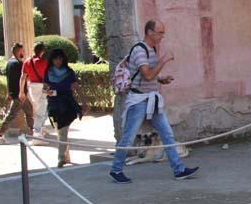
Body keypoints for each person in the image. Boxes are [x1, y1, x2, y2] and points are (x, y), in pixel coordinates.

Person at [109, 20, 198, 183]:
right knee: (128, 137)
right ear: (150, 32)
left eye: (163, 32)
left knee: (167, 134)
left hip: (152, 99)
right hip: (139, 101)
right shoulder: (139, 50)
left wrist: (160, 79)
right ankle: (116, 169)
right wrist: (163, 60)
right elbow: (147, 74)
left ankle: (179, 169)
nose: (163, 36)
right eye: (160, 32)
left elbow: (150, 75)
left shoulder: (151, 50)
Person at [43, 48, 87, 168]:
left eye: (60, 59)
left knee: (62, 131)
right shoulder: (48, 72)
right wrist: (48, 91)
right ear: (52, 60)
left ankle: (61, 158)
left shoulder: (69, 72)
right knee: (60, 132)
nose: (58, 61)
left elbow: (76, 87)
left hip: (67, 104)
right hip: (53, 104)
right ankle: (66, 155)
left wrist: (84, 102)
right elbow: (44, 88)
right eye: (56, 59)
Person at [0, 43, 33, 142]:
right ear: (18, 51)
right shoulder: (19, 64)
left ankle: (34, 132)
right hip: (19, 95)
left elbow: (8, 79)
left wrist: (8, 93)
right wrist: (22, 92)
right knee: (11, 115)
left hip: (15, 93)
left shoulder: (9, 63)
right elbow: (23, 78)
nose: (24, 52)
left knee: (29, 111)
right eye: (22, 51)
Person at [21, 41, 49, 136]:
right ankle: (37, 132)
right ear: (42, 51)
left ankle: (40, 129)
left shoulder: (26, 62)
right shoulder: (43, 62)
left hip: (32, 87)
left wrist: (21, 91)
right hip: (43, 87)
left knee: (38, 109)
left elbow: (23, 77)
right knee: (43, 110)